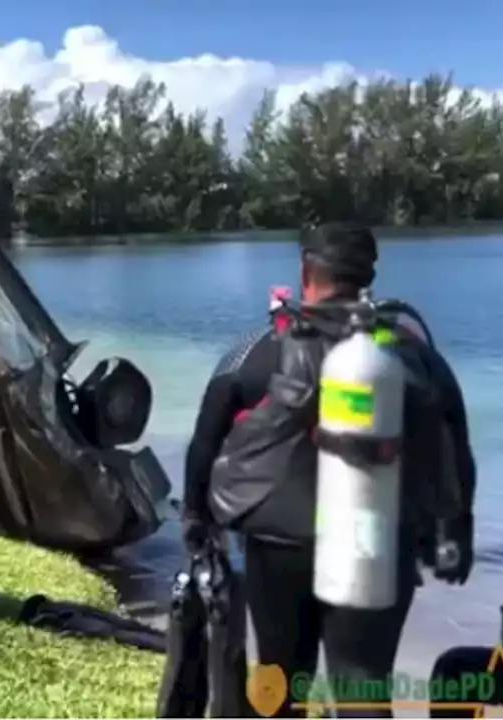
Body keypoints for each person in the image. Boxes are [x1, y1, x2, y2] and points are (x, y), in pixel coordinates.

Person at [182, 222, 477, 718]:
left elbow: (204, 443)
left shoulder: (256, 350)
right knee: (363, 687)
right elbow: (457, 450)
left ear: (304, 272)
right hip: (377, 541)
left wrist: (195, 518)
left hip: (278, 543)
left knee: (277, 681)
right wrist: (456, 534)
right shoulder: (412, 354)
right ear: (369, 276)